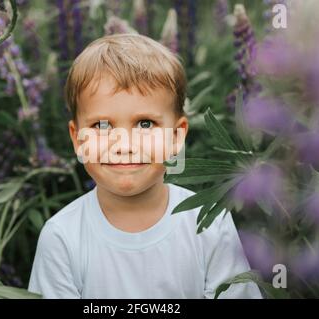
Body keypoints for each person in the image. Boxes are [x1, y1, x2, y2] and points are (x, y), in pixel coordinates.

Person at [28, 34, 262, 299]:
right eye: (101, 125)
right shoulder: (61, 236)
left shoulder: (209, 222)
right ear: (77, 139)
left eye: (145, 124)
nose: (125, 145)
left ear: (176, 136)